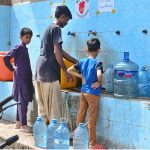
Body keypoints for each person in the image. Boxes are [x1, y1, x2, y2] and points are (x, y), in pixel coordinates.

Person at [34, 5, 77, 124]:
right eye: (67, 20)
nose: (67, 23)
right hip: (49, 72)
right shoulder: (56, 28)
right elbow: (57, 51)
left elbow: (60, 50)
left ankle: (43, 135)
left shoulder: (49, 27)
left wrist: (75, 61)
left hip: (39, 71)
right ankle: (56, 136)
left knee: (42, 110)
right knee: (54, 109)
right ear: (62, 16)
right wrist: (65, 70)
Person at [67, 38, 103, 149]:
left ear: (87, 49)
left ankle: (77, 136)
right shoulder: (98, 63)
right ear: (98, 50)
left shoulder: (82, 61)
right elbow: (99, 74)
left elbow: (69, 70)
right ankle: (92, 144)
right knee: (92, 119)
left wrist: (81, 76)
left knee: (81, 114)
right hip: (93, 94)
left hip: (83, 92)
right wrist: (99, 81)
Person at [4, 27, 34, 133]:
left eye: (30, 38)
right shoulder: (18, 47)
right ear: (21, 37)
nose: (28, 39)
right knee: (23, 101)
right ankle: (23, 125)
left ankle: (18, 122)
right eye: (26, 37)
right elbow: (6, 57)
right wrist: (12, 67)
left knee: (21, 100)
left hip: (25, 78)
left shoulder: (25, 48)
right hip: (20, 78)